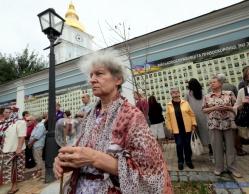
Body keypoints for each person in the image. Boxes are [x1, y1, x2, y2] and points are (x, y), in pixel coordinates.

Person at [53, 49, 172, 193]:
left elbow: (149, 171)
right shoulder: (89, 115)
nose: (92, 80)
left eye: (99, 73)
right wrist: (69, 162)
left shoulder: (132, 115)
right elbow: (81, 155)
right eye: (91, 75)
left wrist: (94, 158)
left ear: (118, 79)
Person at [202, 76, 242, 178]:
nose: (212, 84)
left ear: (220, 83)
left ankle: (232, 168)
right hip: (214, 124)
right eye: (210, 83)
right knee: (216, 147)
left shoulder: (229, 93)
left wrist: (228, 107)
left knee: (230, 147)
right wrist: (214, 108)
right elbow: (203, 110)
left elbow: (238, 107)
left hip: (229, 122)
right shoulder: (207, 96)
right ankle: (218, 168)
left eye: (214, 82)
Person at [166, 88, 197, 170]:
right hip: (177, 129)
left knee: (187, 145)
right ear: (171, 94)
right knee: (179, 145)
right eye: (173, 92)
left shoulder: (185, 103)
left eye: (177, 91)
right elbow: (168, 117)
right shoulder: (169, 105)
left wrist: (194, 124)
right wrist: (170, 128)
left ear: (179, 93)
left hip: (187, 127)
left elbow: (191, 114)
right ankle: (180, 162)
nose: (175, 93)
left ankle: (189, 161)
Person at [217, 73, 248, 156]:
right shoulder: (231, 86)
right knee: (235, 131)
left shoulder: (213, 87)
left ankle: (226, 148)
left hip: (218, 114)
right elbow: (237, 99)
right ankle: (239, 149)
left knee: (223, 131)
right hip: (231, 112)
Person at [0, 108, 26, 194]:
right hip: (3, 149)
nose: (4, 114)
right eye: (4, 112)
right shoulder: (4, 123)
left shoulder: (20, 122)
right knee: (4, 169)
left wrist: (19, 148)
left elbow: (21, 136)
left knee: (14, 169)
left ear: (12, 113)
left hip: (14, 150)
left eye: (7, 112)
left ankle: (15, 185)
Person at [184, 78, 212, 155]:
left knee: (195, 132)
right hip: (203, 113)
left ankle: (197, 149)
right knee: (206, 132)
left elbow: (185, 104)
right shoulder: (202, 92)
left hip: (193, 115)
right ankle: (211, 149)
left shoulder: (187, 93)